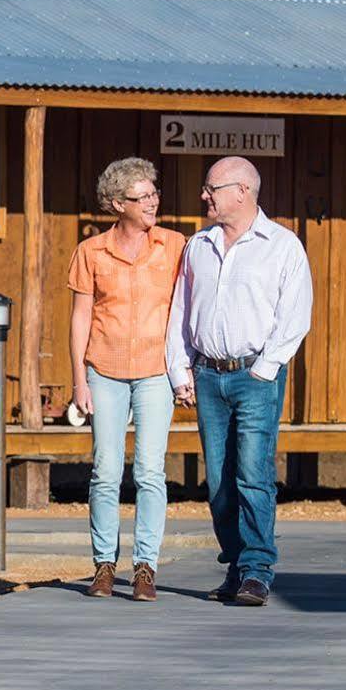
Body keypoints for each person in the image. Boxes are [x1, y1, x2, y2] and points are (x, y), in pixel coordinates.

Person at [166, 156, 313, 607]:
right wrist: (180, 369)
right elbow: (180, 310)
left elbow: (296, 313)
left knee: (253, 472)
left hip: (255, 374)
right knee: (219, 480)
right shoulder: (199, 246)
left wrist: (265, 369)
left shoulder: (282, 246)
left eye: (212, 187)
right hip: (208, 375)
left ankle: (256, 569)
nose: (204, 195)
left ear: (242, 192)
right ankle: (235, 560)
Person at [68, 157, 186, 602]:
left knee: (151, 470)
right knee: (105, 469)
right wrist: (79, 380)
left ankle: (145, 567)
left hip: (156, 371)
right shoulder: (91, 252)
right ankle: (103, 564)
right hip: (105, 370)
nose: (153, 201)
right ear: (118, 204)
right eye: (143, 197)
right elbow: (80, 318)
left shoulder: (175, 245)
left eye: (155, 193)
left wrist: (185, 369)